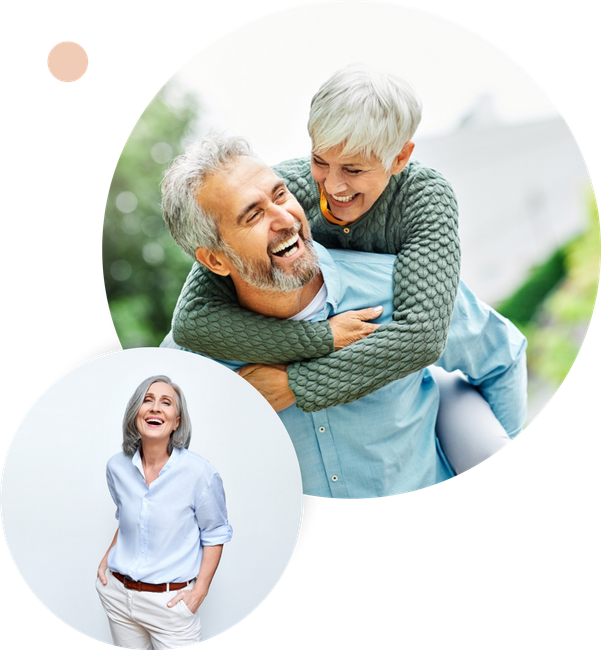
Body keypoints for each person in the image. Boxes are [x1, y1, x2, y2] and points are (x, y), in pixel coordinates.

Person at [160, 134, 527, 499]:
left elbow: (502, 357)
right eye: (253, 214)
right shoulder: (190, 365)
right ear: (214, 260)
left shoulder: (400, 287)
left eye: (280, 195)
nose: (284, 218)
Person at [165, 64, 461, 413]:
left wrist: (296, 384)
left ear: (399, 158)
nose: (332, 186)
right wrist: (322, 338)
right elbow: (194, 319)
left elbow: (421, 337)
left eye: (353, 169)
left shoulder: (424, 198)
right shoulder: (285, 188)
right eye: (320, 160)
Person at [96, 375, 233, 648]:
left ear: (177, 421)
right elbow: (127, 519)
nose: (156, 408)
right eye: (147, 400)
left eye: (166, 402)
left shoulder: (200, 473)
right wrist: (105, 560)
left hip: (169, 605)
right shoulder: (116, 467)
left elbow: (215, 532)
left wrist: (199, 592)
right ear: (136, 413)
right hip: (117, 596)